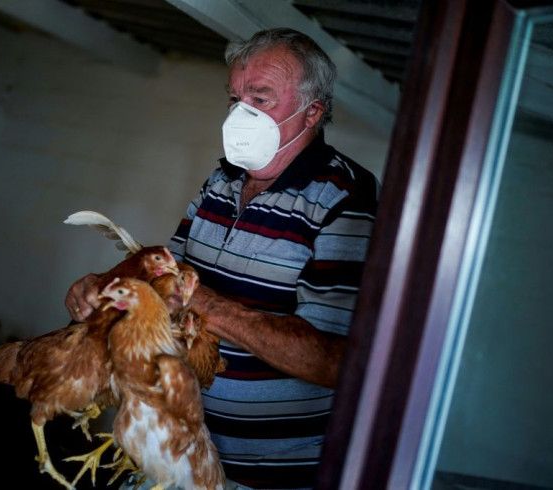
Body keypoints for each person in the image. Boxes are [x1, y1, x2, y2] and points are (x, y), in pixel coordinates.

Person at [65, 28, 379, 489]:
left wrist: (204, 303)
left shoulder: (346, 197)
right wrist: (106, 282)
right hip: (183, 450)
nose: (240, 114)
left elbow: (333, 362)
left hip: (273, 475)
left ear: (312, 112)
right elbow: (166, 263)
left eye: (261, 98)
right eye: (235, 98)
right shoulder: (224, 179)